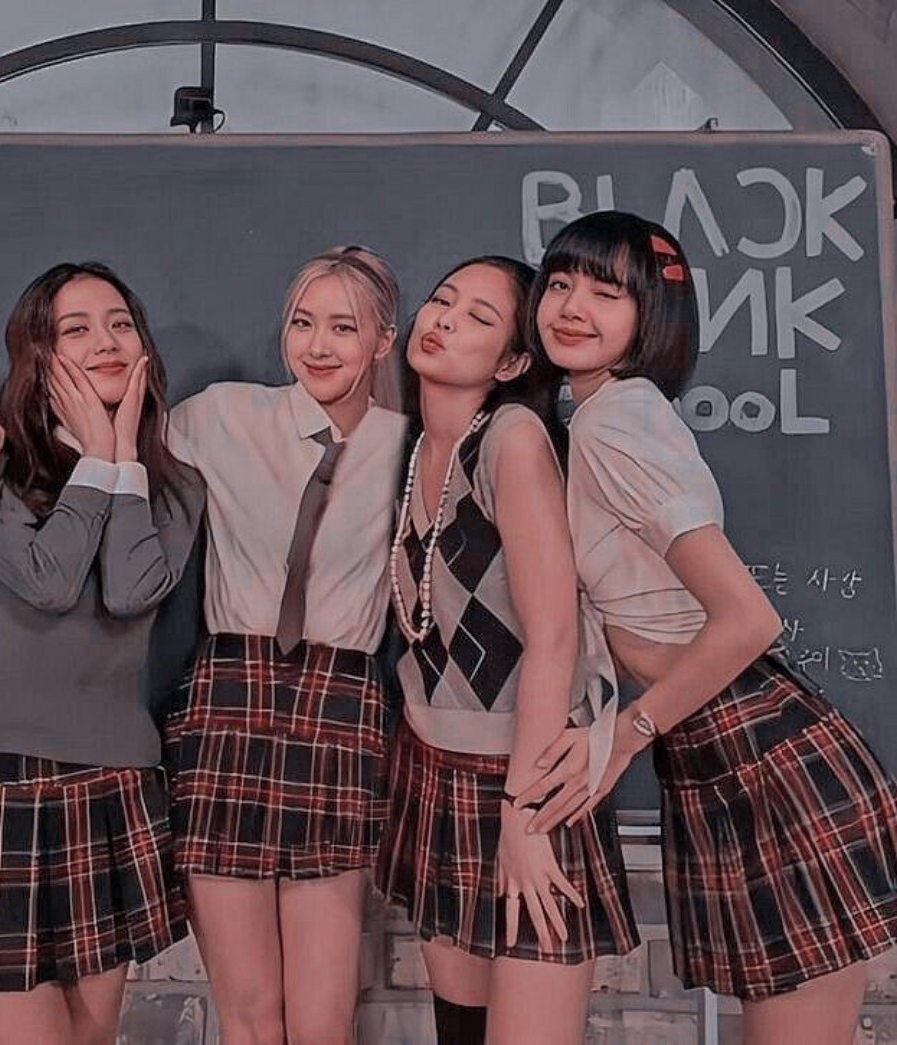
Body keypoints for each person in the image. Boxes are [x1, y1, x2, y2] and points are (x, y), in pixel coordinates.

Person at [0, 246, 404, 1045]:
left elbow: (131, 581)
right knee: (248, 1013)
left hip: (332, 707)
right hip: (215, 706)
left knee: (323, 1019)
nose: (319, 344)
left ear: (384, 340)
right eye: (303, 322)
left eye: (345, 326)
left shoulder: (412, 444)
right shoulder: (218, 417)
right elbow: (66, 538)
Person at [521, 210, 897, 1044]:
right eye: (561, 283)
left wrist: (625, 735)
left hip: (755, 745)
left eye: (607, 292)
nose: (573, 306)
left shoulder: (615, 423)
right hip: (724, 745)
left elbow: (748, 618)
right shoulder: (601, 415)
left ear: (652, 315)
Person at [0, 261, 205, 1045]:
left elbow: (130, 590)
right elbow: (49, 579)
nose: (106, 341)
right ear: (39, 352)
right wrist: (95, 458)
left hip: (111, 783)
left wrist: (121, 456)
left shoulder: (176, 486)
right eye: (77, 329)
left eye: (121, 324)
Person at [377, 256, 638, 1045]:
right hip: (433, 768)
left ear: (514, 362)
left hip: (525, 776)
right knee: (460, 1029)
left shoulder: (511, 437)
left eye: (479, 318)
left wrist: (524, 815)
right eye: (442, 300)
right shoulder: (413, 445)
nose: (444, 320)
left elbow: (555, 632)